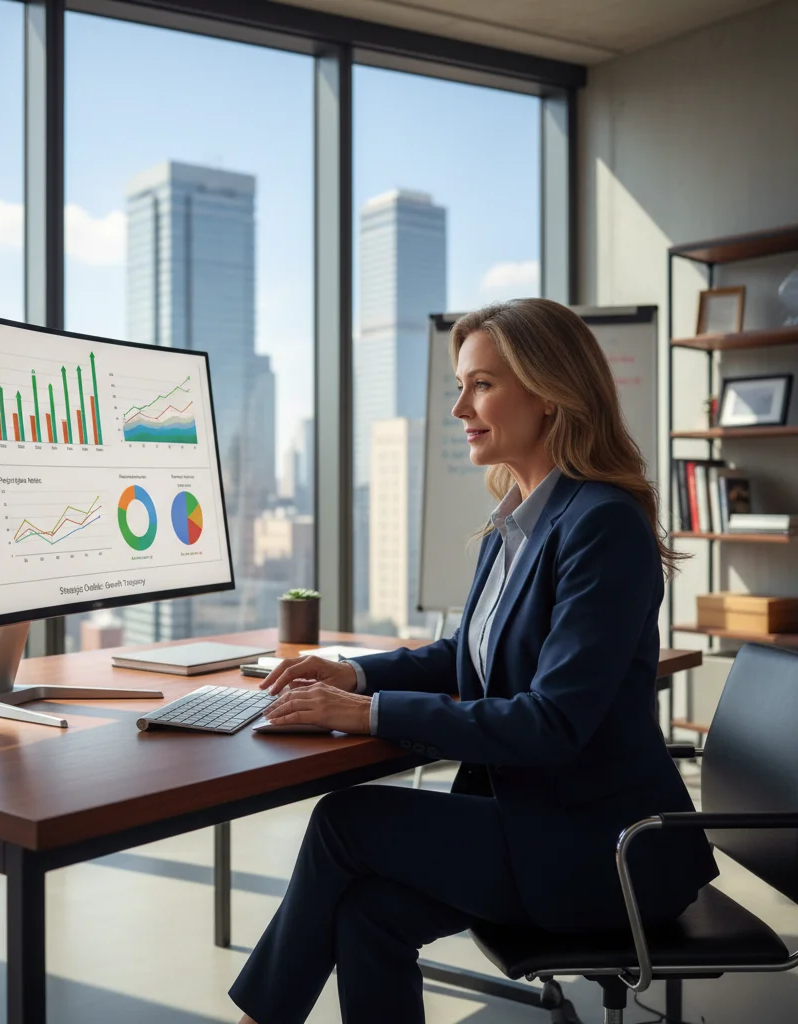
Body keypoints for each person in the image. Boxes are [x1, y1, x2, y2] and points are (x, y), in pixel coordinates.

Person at [229, 298, 718, 1024]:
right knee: (368, 911)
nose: (460, 406)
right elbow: (470, 654)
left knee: (345, 821)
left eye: (481, 384)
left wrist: (367, 713)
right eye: (461, 385)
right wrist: (354, 674)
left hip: (604, 852)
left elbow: (551, 722)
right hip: (535, 822)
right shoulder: (514, 523)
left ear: (549, 393)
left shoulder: (602, 524)